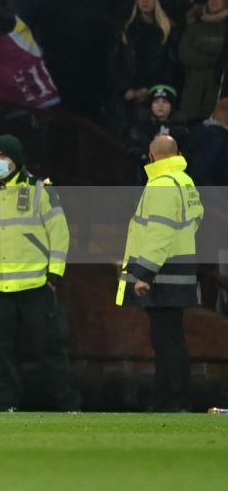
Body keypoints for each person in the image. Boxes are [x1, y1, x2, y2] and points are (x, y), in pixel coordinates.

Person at [0, 134, 78, 412]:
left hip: (36, 286)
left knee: (50, 349)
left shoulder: (41, 190)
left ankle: (67, 405)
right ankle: (7, 406)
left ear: (16, 160)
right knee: (3, 353)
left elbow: (60, 233)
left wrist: (54, 276)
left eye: (3, 156)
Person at [118, 134, 202, 412]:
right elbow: (194, 220)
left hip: (162, 274)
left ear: (152, 156)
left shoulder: (161, 185)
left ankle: (173, 399)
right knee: (168, 337)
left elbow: (159, 233)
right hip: (178, 270)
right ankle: (167, 397)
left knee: (167, 340)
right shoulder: (184, 181)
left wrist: (145, 273)